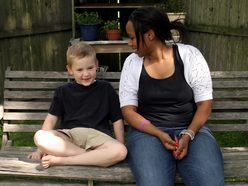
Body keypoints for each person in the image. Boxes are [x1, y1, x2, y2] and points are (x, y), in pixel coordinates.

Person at [119, 6, 225, 186]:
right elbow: (128, 111)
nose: (129, 43)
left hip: (192, 129)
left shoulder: (189, 55)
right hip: (148, 133)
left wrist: (188, 134)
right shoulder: (132, 63)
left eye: (132, 37)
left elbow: (204, 105)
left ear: (150, 35)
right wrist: (159, 133)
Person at [27, 43, 127, 169]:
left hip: (99, 137)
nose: (86, 74)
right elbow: (51, 119)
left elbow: (117, 119)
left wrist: (120, 143)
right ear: (70, 70)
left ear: (96, 65)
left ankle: (62, 160)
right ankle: (92, 157)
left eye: (90, 68)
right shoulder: (63, 91)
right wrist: (39, 149)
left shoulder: (106, 88)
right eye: (79, 70)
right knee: (40, 136)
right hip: (70, 137)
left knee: (120, 151)